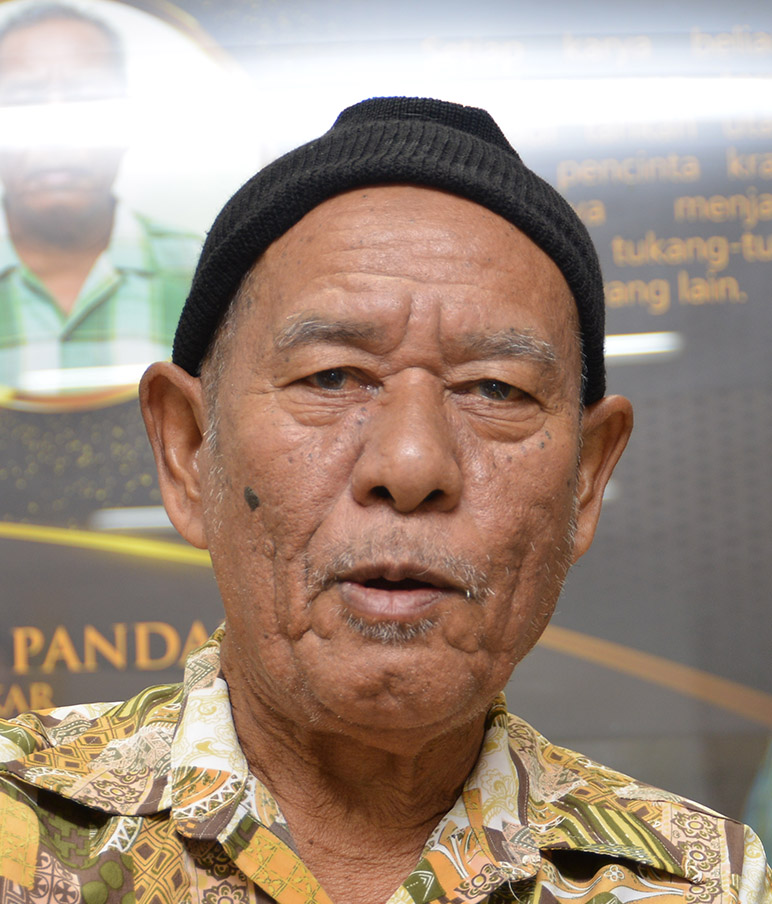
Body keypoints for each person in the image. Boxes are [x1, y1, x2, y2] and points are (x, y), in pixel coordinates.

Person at [0, 97, 768, 904]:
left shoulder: (703, 885)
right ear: (189, 449)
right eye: (332, 376)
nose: (411, 464)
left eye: (495, 389)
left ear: (586, 479)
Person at [0, 2, 200, 394]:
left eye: (88, 99)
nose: (56, 132)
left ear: (127, 121)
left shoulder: (205, 274)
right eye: (22, 101)